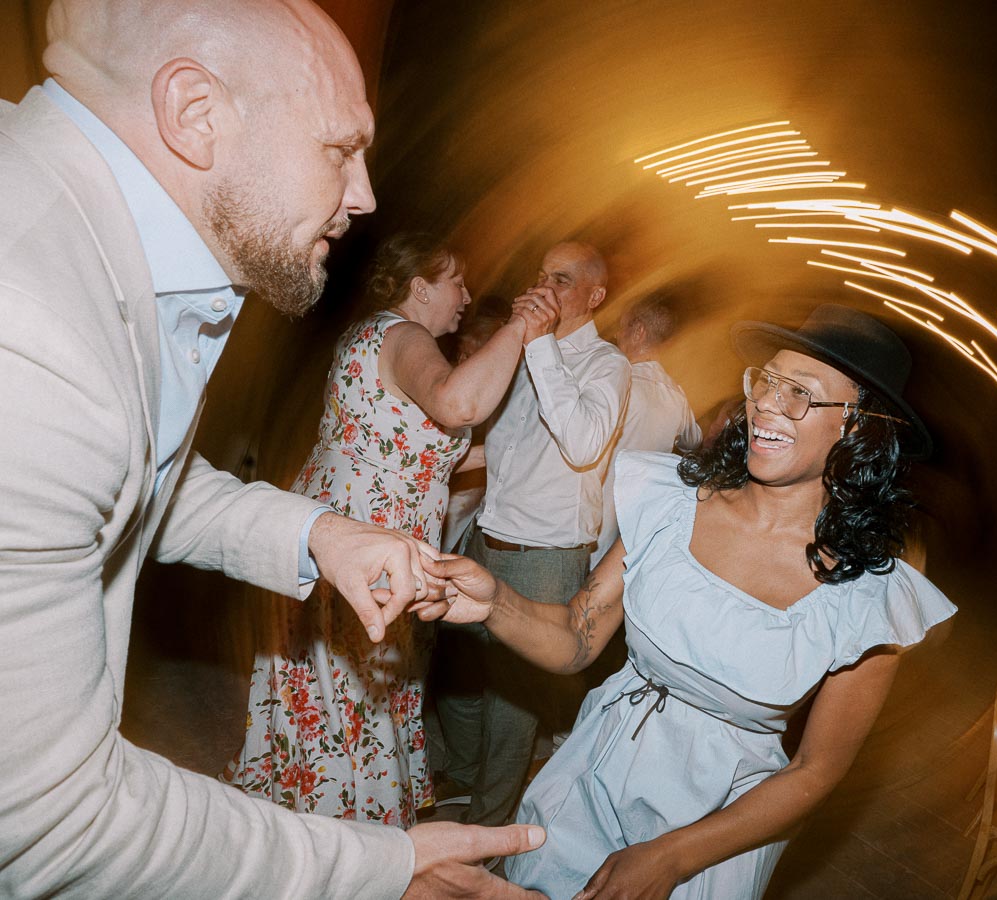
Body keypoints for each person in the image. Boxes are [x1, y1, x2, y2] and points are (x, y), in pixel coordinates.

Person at [0, 1, 544, 896]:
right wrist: (381, 868)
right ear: (195, 112)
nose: (365, 194)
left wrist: (321, 535)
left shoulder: (95, 239)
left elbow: (143, 479)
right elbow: (51, 823)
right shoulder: (36, 330)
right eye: (340, 149)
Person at [437, 303, 957, 899]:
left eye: (799, 394)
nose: (766, 403)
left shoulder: (870, 598)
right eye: (767, 381)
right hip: (591, 777)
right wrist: (493, 602)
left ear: (859, 426)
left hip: (715, 831)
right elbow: (579, 636)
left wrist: (672, 858)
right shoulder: (672, 502)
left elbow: (817, 772)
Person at [224, 233, 558, 827]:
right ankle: (346, 855)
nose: (467, 295)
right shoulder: (405, 335)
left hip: (343, 536)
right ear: (421, 285)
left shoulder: (369, 333)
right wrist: (519, 328)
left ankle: (300, 837)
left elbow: (419, 453)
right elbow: (458, 405)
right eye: (457, 281)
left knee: (331, 707)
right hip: (366, 557)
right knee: (351, 710)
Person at [455, 240, 632, 828]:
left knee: (512, 707)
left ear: (593, 295)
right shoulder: (530, 351)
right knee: (461, 678)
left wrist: (539, 347)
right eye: (540, 276)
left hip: (547, 560)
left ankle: (485, 834)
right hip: (486, 536)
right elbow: (511, 446)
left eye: (560, 279)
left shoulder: (607, 364)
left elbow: (582, 445)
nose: (542, 289)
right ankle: (460, 788)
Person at [590, 292, 702, 568]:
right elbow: (693, 440)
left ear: (638, 332)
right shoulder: (676, 394)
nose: (617, 334)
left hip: (593, 521)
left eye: (622, 326)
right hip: (634, 529)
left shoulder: (616, 383)